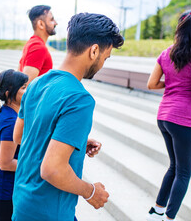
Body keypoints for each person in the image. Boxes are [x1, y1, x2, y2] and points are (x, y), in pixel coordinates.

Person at [12, 12, 124, 221]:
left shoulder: (37, 83)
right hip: (50, 213)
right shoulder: (79, 99)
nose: (102, 65)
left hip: (23, 205)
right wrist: (91, 191)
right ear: (94, 51)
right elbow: (52, 169)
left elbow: (19, 136)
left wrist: (73, 140)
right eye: (105, 58)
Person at [146, 10, 191, 221]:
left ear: (179, 28)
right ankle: (169, 218)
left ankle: (156, 211)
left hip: (164, 117)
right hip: (184, 120)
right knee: (184, 173)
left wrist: (175, 83)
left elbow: (151, 84)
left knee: (174, 166)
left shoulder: (166, 53)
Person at [0, 69, 28, 221]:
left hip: (0, 186)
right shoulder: (11, 121)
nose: (27, 91)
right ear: (9, 93)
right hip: (3, 190)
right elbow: (6, 163)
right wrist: (36, 165)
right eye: (23, 88)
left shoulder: (8, 113)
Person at [18, 5, 58, 84]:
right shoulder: (38, 47)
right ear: (41, 24)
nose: (56, 23)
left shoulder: (31, 43)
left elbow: (19, 73)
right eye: (52, 19)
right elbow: (25, 86)